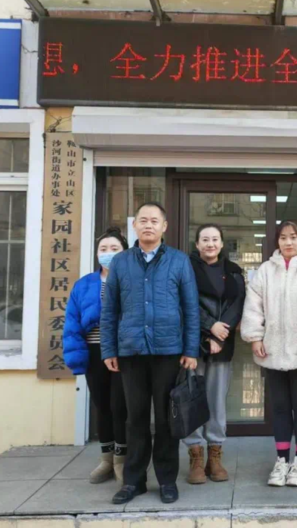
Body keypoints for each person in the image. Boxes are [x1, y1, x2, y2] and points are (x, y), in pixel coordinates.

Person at [101, 202, 200, 505]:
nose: (148, 225)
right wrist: (109, 349)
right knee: (136, 419)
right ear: (134, 226)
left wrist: (191, 349)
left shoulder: (179, 261)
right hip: (131, 351)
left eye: (154, 221)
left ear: (164, 226)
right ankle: (134, 481)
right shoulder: (120, 262)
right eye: (143, 220)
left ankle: (167, 480)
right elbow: (110, 309)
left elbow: (191, 308)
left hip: (168, 351)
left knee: (168, 419)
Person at [241, 221, 297, 488]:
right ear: (277, 241)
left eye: (293, 237)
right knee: (280, 407)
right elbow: (253, 304)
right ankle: (282, 460)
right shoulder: (266, 270)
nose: (288, 242)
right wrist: (255, 336)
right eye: (283, 238)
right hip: (273, 349)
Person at [63, 228, 130, 486]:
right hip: (94, 353)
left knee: (120, 406)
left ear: (124, 253)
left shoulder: (131, 281)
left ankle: (122, 460)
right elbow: (72, 323)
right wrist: (76, 357)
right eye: (103, 249)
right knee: (101, 406)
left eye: (114, 249)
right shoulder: (84, 285)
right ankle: (106, 459)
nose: (108, 253)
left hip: (123, 353)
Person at [185, 224, 246, 485]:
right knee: (192, 400)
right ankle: (196, 456)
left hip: (222, 343)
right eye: (205, 239)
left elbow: (238, 304)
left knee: (217, 400)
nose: (210, 244)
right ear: (197, 244)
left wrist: (220, 334)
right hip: (193, 344)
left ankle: (215, 455)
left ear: (221, 244)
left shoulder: (233, 271)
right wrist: (210, 327)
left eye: (215, 239)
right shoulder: (186, 268)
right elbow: (185, 303)